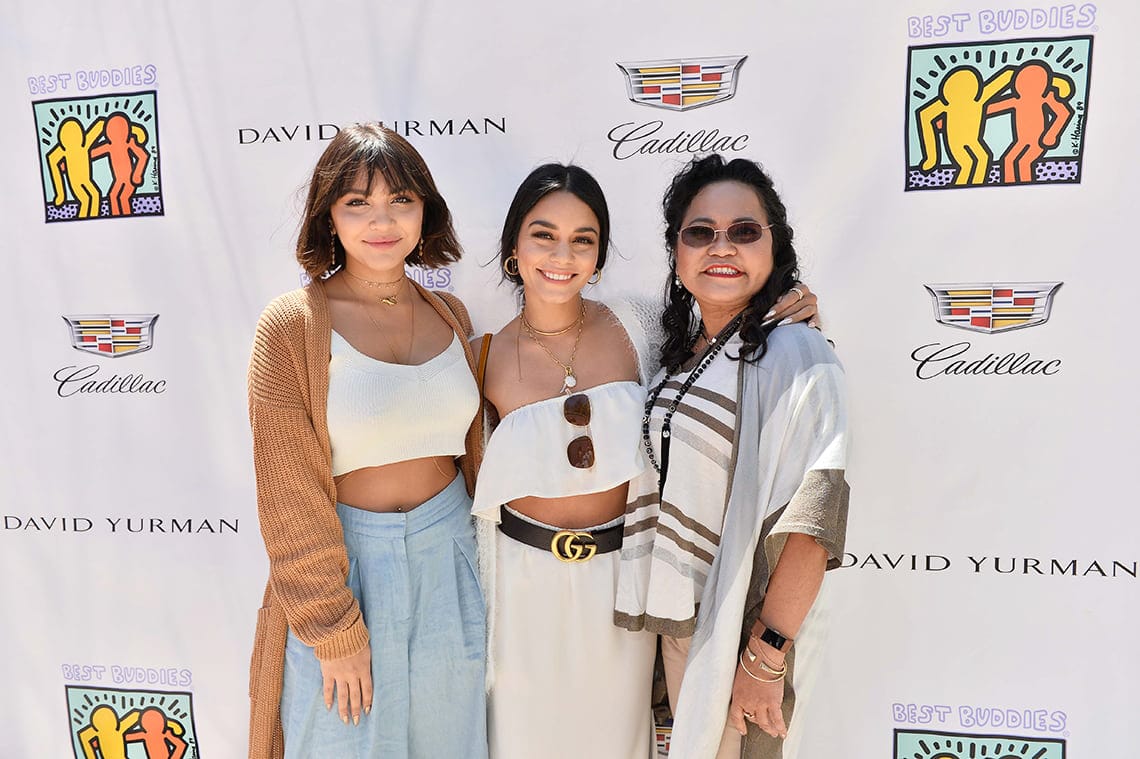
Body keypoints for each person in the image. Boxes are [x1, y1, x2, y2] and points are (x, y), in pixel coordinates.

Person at [471, 164, 819, 759]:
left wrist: (790, 307)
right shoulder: (481, 353)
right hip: (522, 586)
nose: (563, 254)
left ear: (600, 255)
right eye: (543, 234)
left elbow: (724, 355)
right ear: (513, 248)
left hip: (624, 583)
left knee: (616, 742)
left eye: (583, 239)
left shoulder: (640, 328)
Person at [246, 123, 487, 759]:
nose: (382, 220)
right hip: (347, 567)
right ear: (328, 214)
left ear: (425, 211)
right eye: (357, 202)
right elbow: (287, 490)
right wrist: (332, 626)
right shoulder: (290, 326)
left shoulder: (451, 315)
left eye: (401, 200)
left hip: (452, 560)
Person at [615, 154, 849, 759]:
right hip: (674, 631)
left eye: (745, 231)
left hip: (743, 638)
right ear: (676, 251)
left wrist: (765, 657)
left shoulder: (797, 351)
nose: (722, 246)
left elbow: (813, 521)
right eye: (701, 232)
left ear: (776, 246)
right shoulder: (676, 355)